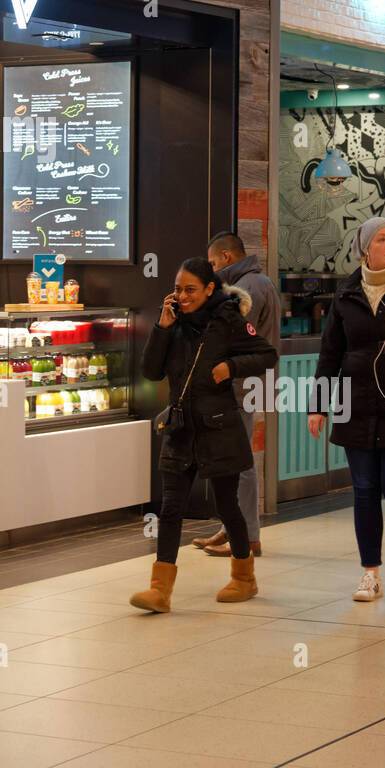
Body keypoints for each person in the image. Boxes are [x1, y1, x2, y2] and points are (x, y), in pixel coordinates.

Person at [130, 257, 277, 613]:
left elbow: (267, 355)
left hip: (218, 427)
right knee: (171, 509)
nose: (182, 296)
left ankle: (244, 578)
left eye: (190, 290)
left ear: (209, 289)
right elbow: (150, 371)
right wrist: (162, 328)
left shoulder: (227, 320)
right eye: (178, 289)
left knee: (227, 506)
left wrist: (231, 367)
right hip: (181, 427)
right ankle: (159, 590)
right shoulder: (173, 323)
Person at [308, 218, 385, 602]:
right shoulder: (346, 293)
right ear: (366, 247)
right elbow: (330, 352)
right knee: (364, 491)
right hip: (355, 405)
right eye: (382, 239)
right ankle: (370, 574)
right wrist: (318, 405)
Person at [192, 231, 281, 557]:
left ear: (227, 258)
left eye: (214, 263)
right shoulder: (257, 282)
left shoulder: (248, 288)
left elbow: (231, 340)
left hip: (242, 386)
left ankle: (247, 537)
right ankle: (233, 528)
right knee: (235, 460)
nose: (212, 269)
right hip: (247, 384)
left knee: (240, 463)